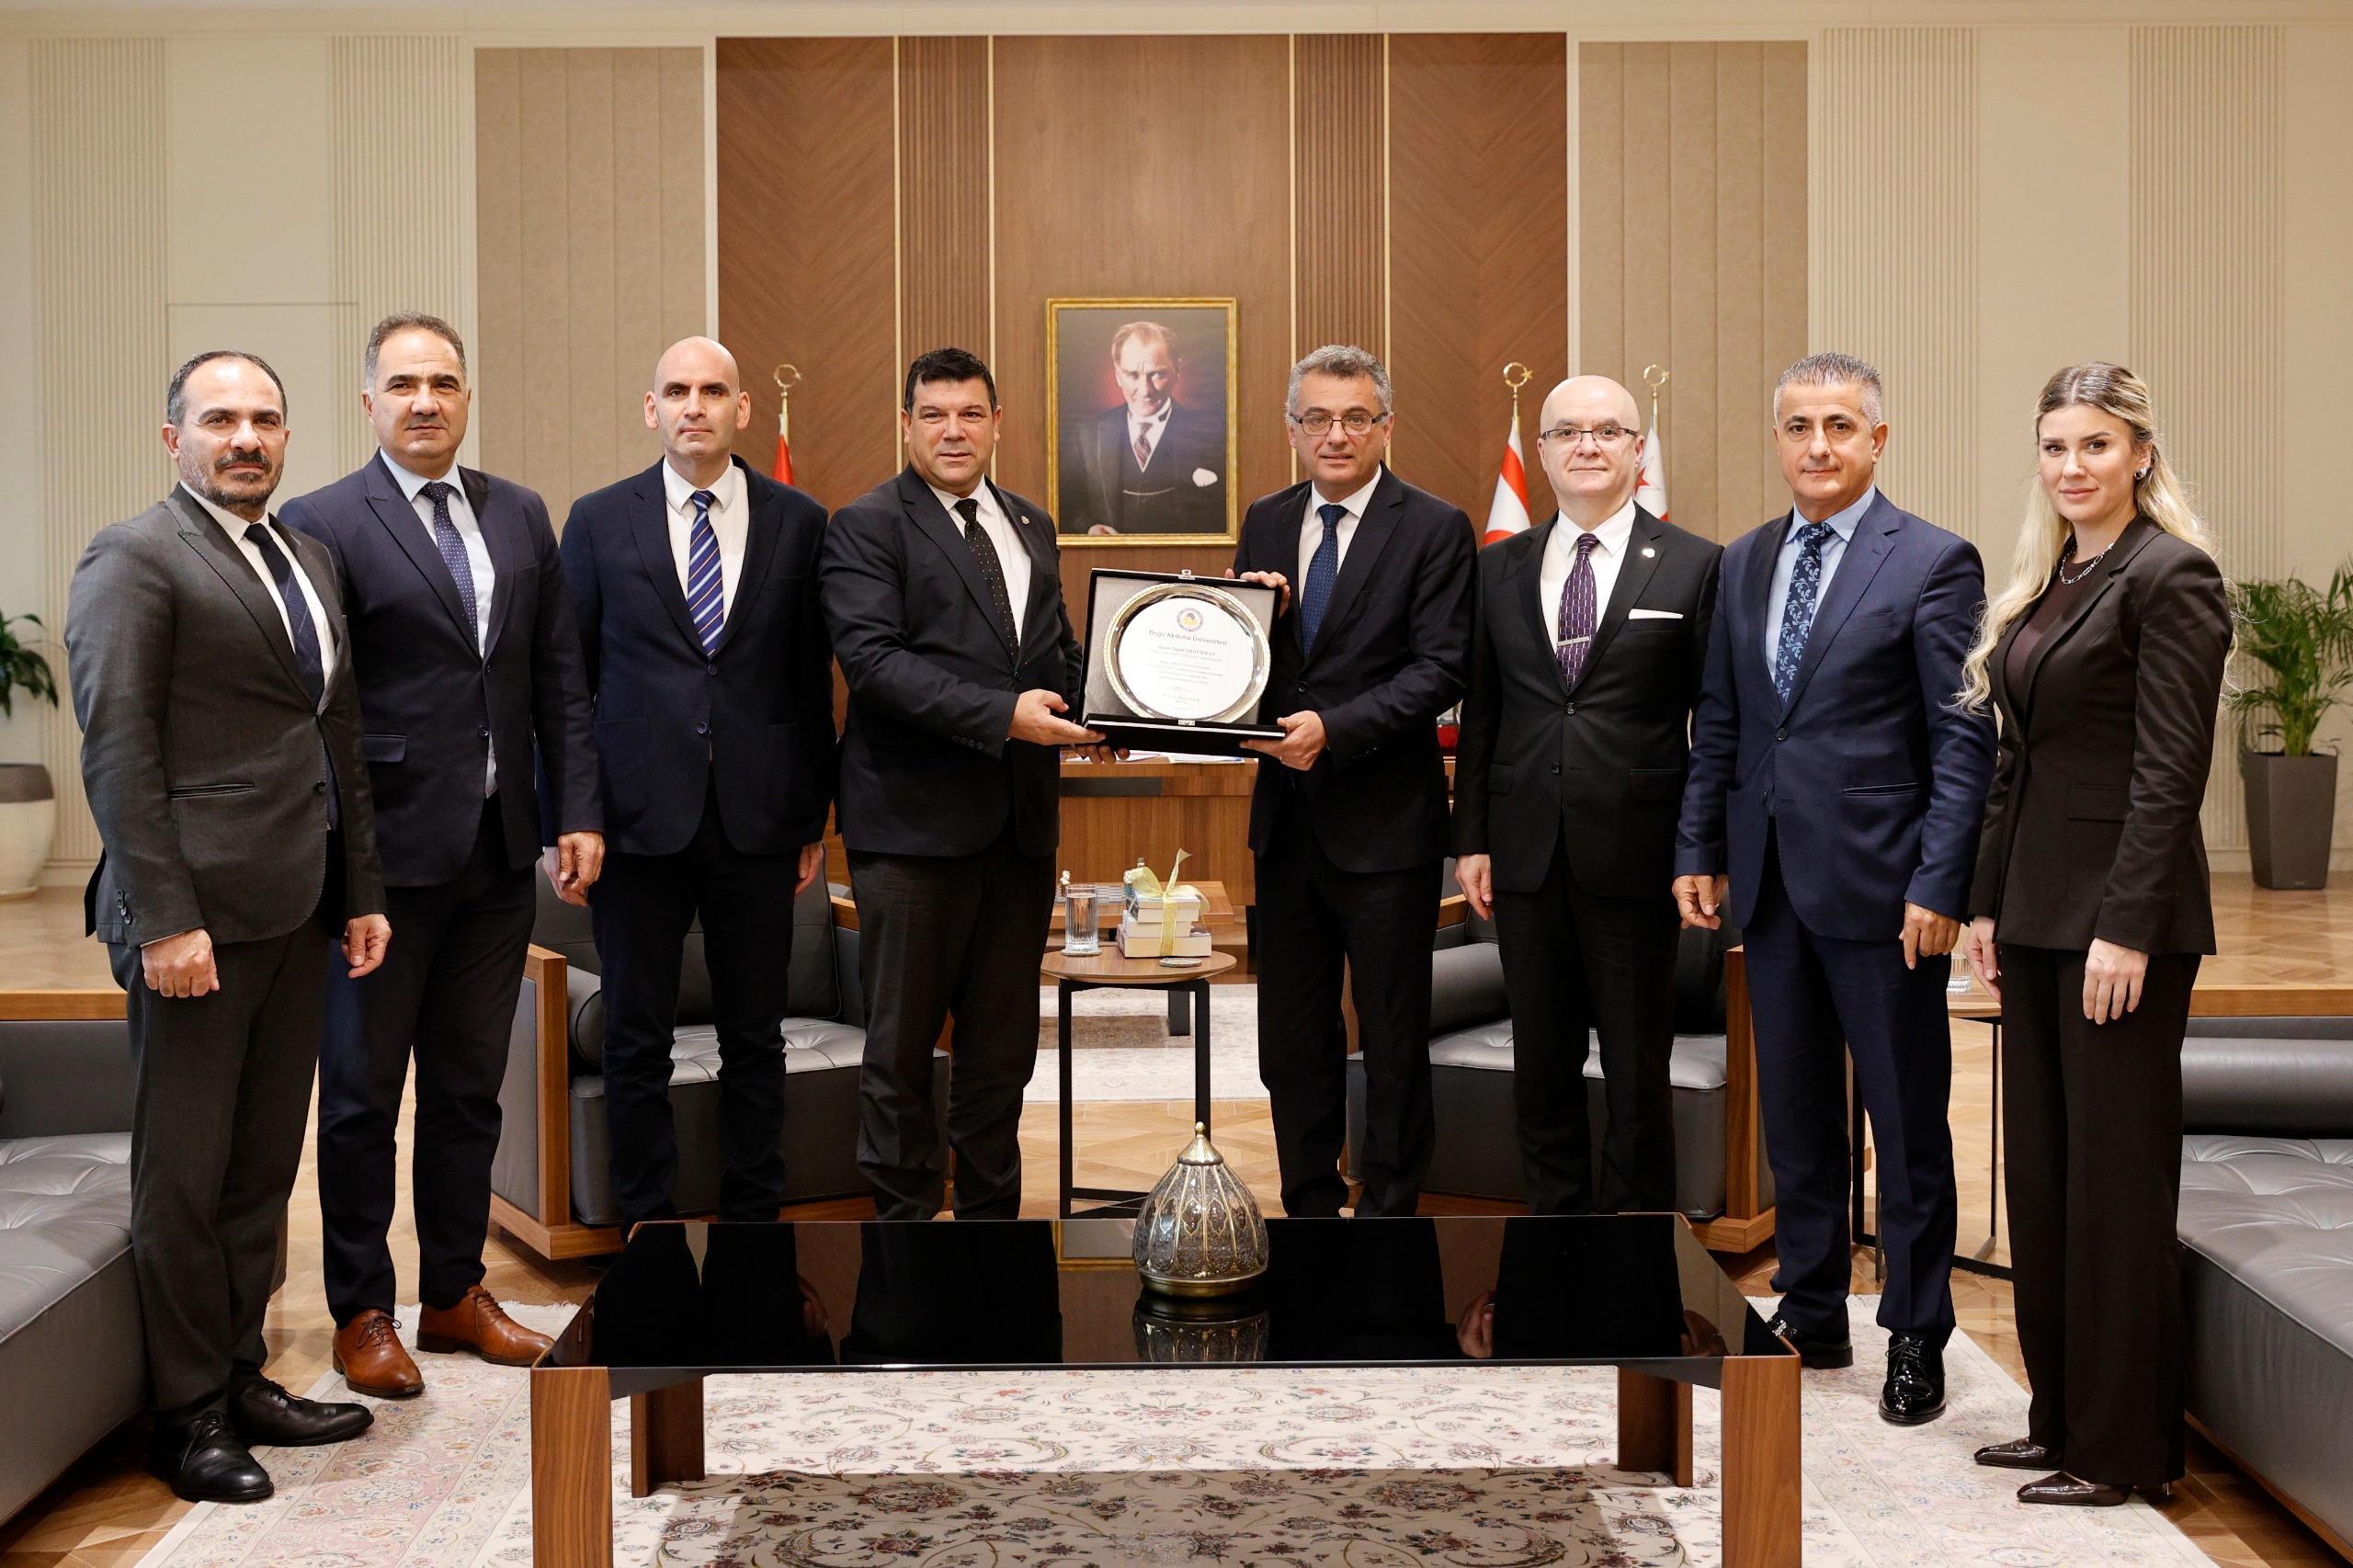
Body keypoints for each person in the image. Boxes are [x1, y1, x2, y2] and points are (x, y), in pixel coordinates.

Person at [66, 351, 390, 1503]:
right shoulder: (134, 555)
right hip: (192, 923)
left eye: (263, 418)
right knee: (185, 1178)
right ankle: (186, 1414)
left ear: (287, 435)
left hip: (295, 908)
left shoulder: (306, 555)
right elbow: (117, 749)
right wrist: (164, 918)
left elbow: (335, 734)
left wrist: (361, 887)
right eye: (219, 419)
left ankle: (243, 1374)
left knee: (259, 1171)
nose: (244, 437)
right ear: (175, 439)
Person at [279, 312, 600, 1396]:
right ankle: (364, 1309)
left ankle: (456, 1292)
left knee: (469, 1091)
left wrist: (575, 809)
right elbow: (323, 705)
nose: (426, 400)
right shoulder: (323, 519)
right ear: (369, 401)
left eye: (444, 382)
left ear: (467, 396)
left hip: (499, 856)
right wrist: (346, 868)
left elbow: (557, 676)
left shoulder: (519, 512)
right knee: (362, 1096)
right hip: (379, 866)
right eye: (405, 383)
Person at [1673, 352, 1994, 1424]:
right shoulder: (1744, 559)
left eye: (1840, 426)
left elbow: (1962, 738)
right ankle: (1810, 1308)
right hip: (1769, 885)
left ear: (1876, 439)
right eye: (1799, 426)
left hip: (1887, 891)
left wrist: (1941, 881)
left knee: (1904, 1122)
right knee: (1797, 1119)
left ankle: (1915, 1329)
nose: (1818, 445)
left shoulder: (1934, 560)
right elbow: (1722, 720)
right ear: (1778, 439)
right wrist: (1697, 846)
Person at [1958, 364, 2230, 1506]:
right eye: (2054, 446)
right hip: (2034, 916)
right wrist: (1984, 900)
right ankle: (2059, 1416)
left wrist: (2126, 927)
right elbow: (2013, 760)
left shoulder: (2171, 575)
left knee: (2113, 1190)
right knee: (2046, 1181)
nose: (2071, 466)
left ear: (2140, 455)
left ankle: (2121, 1450)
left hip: (2119, 929)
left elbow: (2170, 772)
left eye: (2095, 445)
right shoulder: (2054, 578)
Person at [559, 336, 836, 1231]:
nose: (694, 406)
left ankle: (754, 1223)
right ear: (652, 409)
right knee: (636, 1033)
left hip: (760, 818)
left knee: (755, 1035)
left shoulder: (800, 520)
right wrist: (575, 812)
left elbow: (811, 676)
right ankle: (647, 1226)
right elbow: (568, 678)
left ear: (741, 409)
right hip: (636, 821)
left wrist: (812, 814)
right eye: (676, 391)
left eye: (713, 391)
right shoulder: (599, 520)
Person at [822, 347, 1097, 1220]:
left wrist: (1115, 710)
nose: (953, 431)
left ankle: (989, 1229)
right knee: (902, 1053)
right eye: (934, 415)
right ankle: (905, 1240)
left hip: (1019, 831)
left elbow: (1055, 651)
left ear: (997, 423)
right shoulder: (867, 526)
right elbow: (875, 666)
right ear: (906, 425)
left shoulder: (1031, 523)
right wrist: (1006, 716)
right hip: (912, 832)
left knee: (1002, 1052)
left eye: (970, 414)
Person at [1452, 375, 1722, 1214]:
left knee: (1638, 1071)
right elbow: (1483, 712)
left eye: (1608, 431)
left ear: (1639, 450)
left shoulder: (1696, 565)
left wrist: (1701, 847)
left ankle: (1637, 1244)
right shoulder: (1497, 567)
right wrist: (1472, 838)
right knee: (1542, 1065)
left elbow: (1715, 722)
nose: (1588, 446)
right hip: (1525, 854)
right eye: (1568, 432)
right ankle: (1556, 1235)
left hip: (1639, 857)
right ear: (1541, 452)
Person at [1231, 343, 1475, 1218]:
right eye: (1318, 419)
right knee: (1291, 1037)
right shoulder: (1265, 519)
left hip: (1386, 826)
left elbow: (1441, 667)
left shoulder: (1435, 526)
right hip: (1287, 824)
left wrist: (1335, 731)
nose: (1336, 435)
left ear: (1386, 425)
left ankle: (1389, 1211)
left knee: (1393, 1031)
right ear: (1293, 429)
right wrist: (1253, 622)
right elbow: (1243, 653)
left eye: (1355, 418)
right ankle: (1306, 1201)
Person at [1070, 320, 1227, 536]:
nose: (1145, 390)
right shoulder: (1088, 434)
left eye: (1157, 374)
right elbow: (1067, 507)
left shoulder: (1213, 435)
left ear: (1177, 371)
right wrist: (1088, 528)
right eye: (1132, 375)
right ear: (1117, 374)